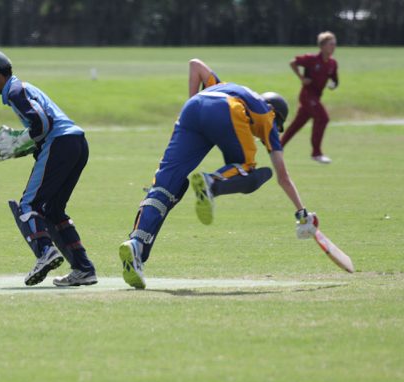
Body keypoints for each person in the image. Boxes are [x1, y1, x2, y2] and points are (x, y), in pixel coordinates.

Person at [119, 58, 318, 289]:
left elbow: (195, 65)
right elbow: (283, 176)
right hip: (228, 109)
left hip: (192, 110)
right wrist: (302, 214)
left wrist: (191, 99)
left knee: (165, 185)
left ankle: (136, 244)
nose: (258, 137)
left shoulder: (223, 84)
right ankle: (212, 181)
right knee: (248, 167)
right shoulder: (268, 117)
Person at [0, 50, 97, 287]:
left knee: (29, 205)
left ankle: (45, 252)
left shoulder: (14, 91)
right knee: (53, 210)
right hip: (77, 143)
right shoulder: (24, 88)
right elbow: (42, 126)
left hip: (60, 143)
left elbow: (42, 122)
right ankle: (83, 268)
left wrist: (20, 141)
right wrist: (25, 146)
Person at [281, 31, 339, 164]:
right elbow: (293, 62)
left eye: (334, 44)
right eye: (331, 44)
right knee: (323, 118)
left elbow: (335, 80)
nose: (333, 47)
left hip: (316, 97)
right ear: (322, 46)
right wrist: (301, 78)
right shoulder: (311, 59)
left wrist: (333, 85)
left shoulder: (332, 63)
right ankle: (316, 153)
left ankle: (277, 146)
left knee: (297, 123)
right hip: (307, 96)